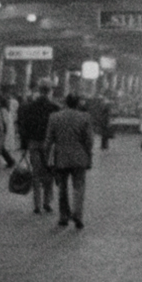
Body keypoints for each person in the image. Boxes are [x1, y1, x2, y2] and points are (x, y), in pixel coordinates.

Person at [45, 93, 94, 229]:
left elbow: (49, 139)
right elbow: (89, 140)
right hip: (79, 157)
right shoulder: (85, 117)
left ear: (65, 102)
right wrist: (88, 154)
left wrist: (46, 156)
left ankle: (63, 216)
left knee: (62, 187)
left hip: (61, 157)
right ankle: (78, 215)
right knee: (79, 187)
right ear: (78, 103)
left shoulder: (54, 117)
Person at [17, 78, 59, 215]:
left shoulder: (29, 107)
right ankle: (47, 202)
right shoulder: (55, 108)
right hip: (49, 144)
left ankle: (37, 205)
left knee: (36, 173)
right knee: (49, 172)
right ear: (50, 91)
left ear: (39, 90)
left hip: (33, 143)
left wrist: (24, 145)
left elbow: (24, 128)